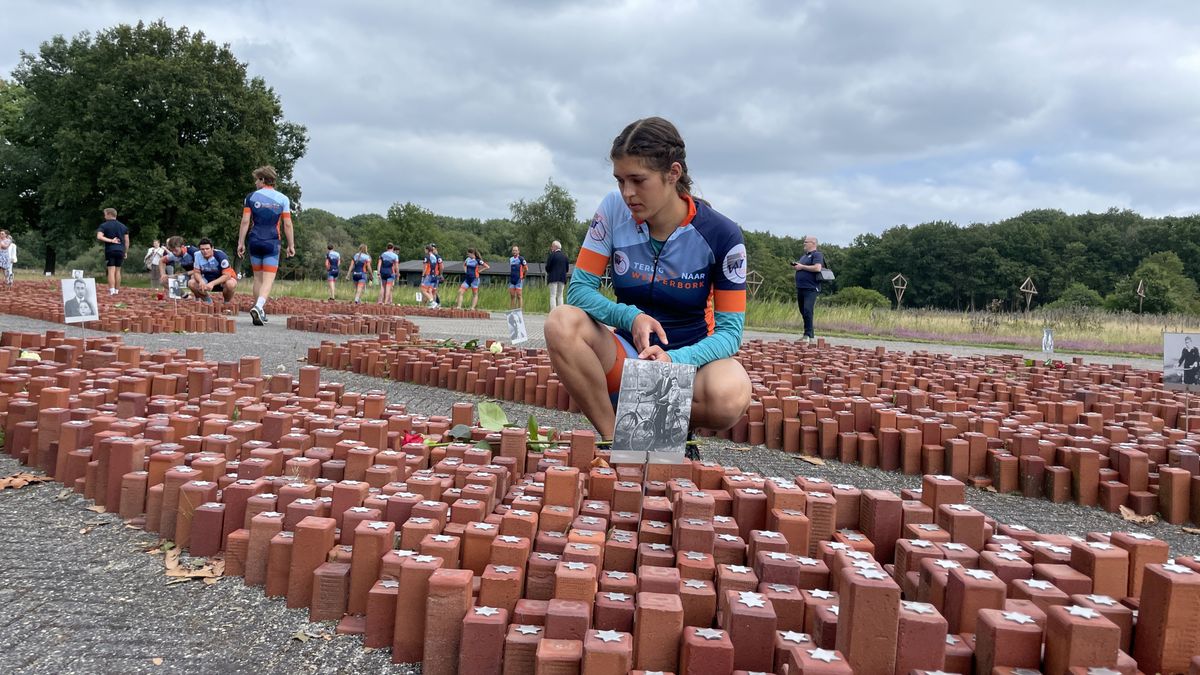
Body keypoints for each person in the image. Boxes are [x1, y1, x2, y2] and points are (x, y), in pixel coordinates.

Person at [543, 116, 752, 447]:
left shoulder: (722, 234)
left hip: (688, 360)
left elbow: (730, 333)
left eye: (638, 180)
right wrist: (630, 316)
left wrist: (674, 360)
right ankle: (615, 439)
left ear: (673, 173)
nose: (627, 193)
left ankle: (668, 429)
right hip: (628, 357)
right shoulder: (613, 211)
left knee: (731, 392)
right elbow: (579, 291)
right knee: (561, 322)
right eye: (620, 180)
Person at [237, 165, 295, 326]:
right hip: (272, 241)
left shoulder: (250, 197)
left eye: (257, 179)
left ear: (263, 179)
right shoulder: (283, 199)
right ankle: (259, 306)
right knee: (268, 279)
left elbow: (245, 222)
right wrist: (291, 245)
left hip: (254, 240)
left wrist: (240, 242)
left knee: (258, 277)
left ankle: (259, 310)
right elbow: (287, 224)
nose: (255, 182)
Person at [792, 236, 825, 343]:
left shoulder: (817, 255)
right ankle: (808, 334)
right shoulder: (803, 257)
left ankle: (808, 336)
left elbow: (817, 268)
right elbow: (802, 267)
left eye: (806, 242)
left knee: (807, 310)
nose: (804, 244)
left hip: (811, 288)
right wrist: (798, 266)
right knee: (803, 311)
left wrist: (801, 267)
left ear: (813, 243)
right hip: (801, 287)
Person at [190, 238, 238, 303]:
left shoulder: (221, 255)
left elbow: (227, 275)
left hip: (222, 280)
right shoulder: (197, 255)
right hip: (207, 278)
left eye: (207, 249)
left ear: (212, 248)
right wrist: (201, 281)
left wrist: (212, 283)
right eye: (202, 249)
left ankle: (227, 302)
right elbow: (196, 272)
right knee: (191, 283)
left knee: (230, 284)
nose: (205, 251)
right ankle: (207, 301)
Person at [96, 207, 130, 295]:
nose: (104, 216)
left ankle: (111, 291)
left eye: (105, 214)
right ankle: (117, 291)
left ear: (109, 214)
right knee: (118, 270)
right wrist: (125, 252)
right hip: (121, 251)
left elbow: (99, 236)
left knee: (111, 270)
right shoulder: (123, 226)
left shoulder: (104, 225)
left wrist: (111, 240)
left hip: (110, 250)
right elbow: (127, 241)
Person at [546, 240, 568, 310]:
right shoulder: (565, 256)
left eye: (552, 246)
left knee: (553, 295)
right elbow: (567, 269)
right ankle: (560, 312)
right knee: (560, 295)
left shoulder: (552, 255)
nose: (551, 248)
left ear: (555, 247)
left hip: (553, 278)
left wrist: (549, 271)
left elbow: (547, 267)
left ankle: (553, 312)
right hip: (562, 278)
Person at [420, 244, 443, 308]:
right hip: (435, 275)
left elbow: (425, 267)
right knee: (430, 291)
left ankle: (432, 302)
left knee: (423, 290)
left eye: (425, 249)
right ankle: (433, 304)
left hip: (428, 275)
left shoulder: (427, 256)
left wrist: (422, 276)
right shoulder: (435, 256)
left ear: (427, 250)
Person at [508, 245, 528, 310]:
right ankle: (512, 310)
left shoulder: (521, 259)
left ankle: (520, 310)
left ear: (518, 251)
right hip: (512, 279)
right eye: (513, 250)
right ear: (512, 251)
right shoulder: (511, 259)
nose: (514, 252)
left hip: (519, 279)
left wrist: (523, 275)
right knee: (512, 296)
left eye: (516, 250)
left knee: (519, 296)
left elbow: (526, 268)